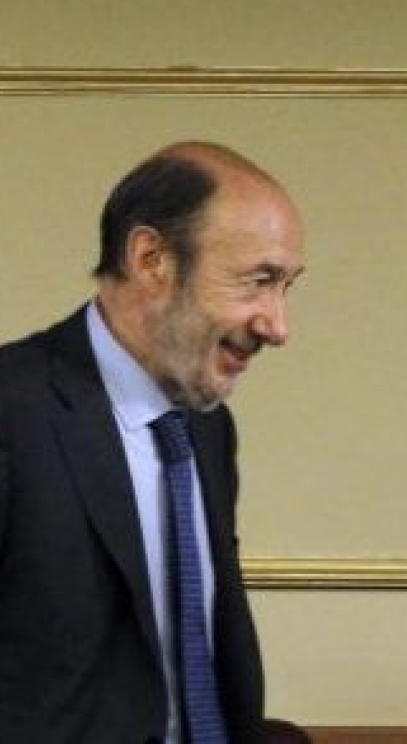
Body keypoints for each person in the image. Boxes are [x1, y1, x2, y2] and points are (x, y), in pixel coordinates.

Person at [0, 141, 306, 743]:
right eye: (258, 281)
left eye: (286, 286)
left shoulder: (208, 429)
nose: (277, 326)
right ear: (151, 260)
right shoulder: (13, 411)